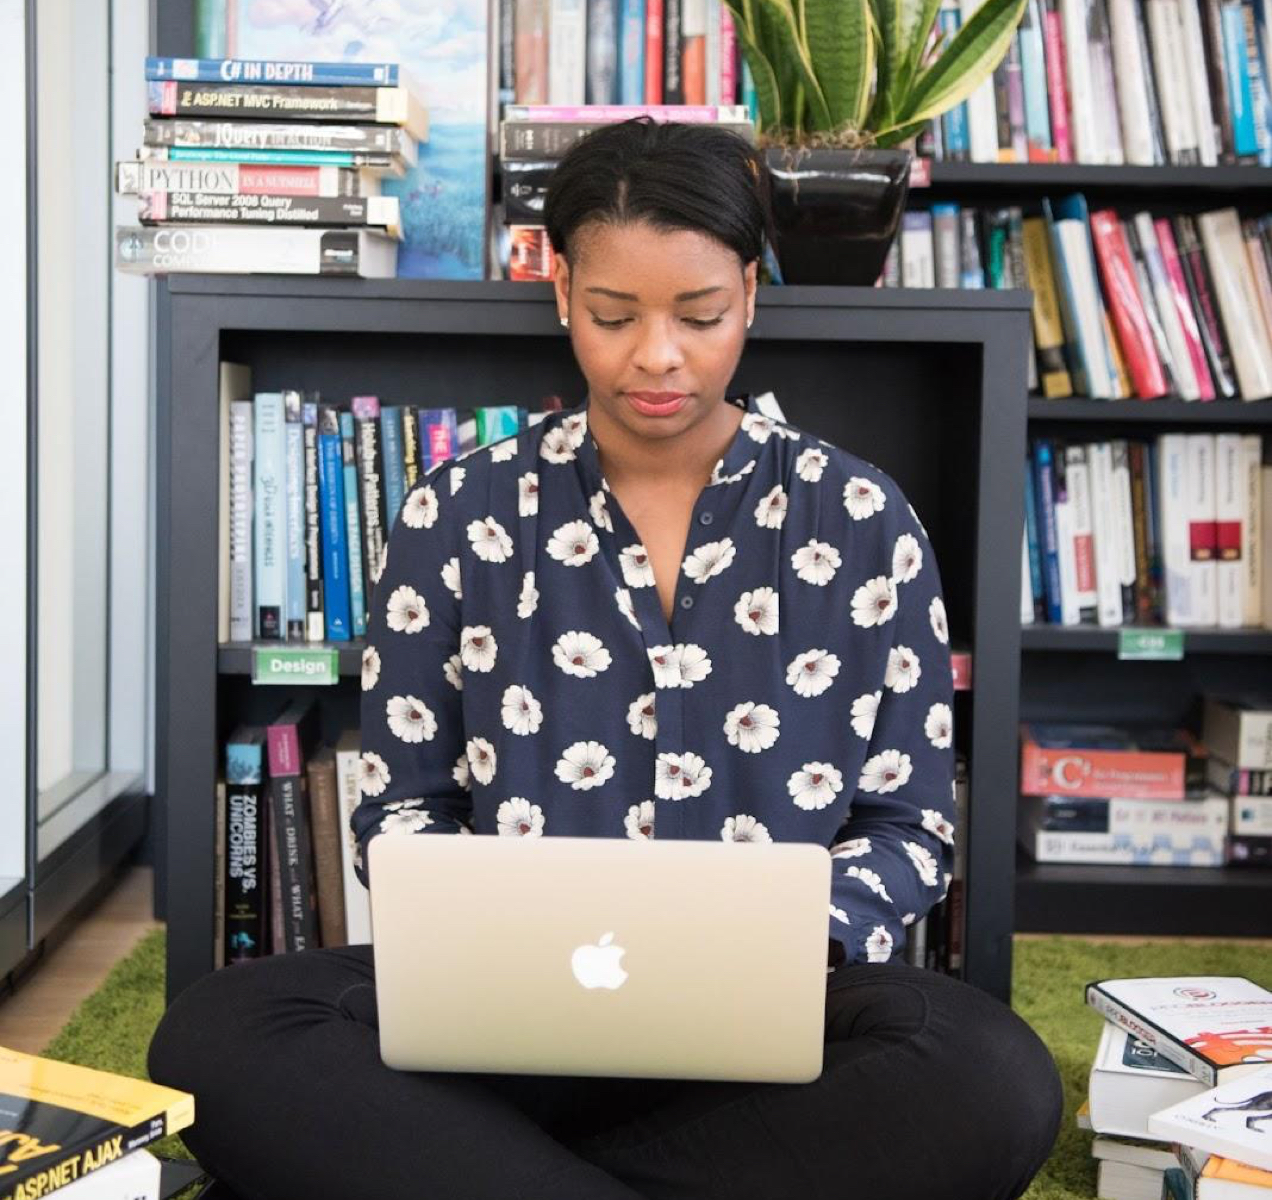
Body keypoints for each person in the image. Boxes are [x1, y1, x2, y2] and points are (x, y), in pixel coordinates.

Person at [147, 117, 1064, 1200]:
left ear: (753, 296)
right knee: (218, 1035)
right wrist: (480, 928)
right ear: (561, 296)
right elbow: (399, 806)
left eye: (702, 315)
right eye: (613, 314)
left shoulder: (865, 517)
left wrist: (792, 943)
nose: (658, 355)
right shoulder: (457, 511)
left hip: (773, 1035)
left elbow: (912, 826)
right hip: (506, 1027)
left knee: (995, 1079)